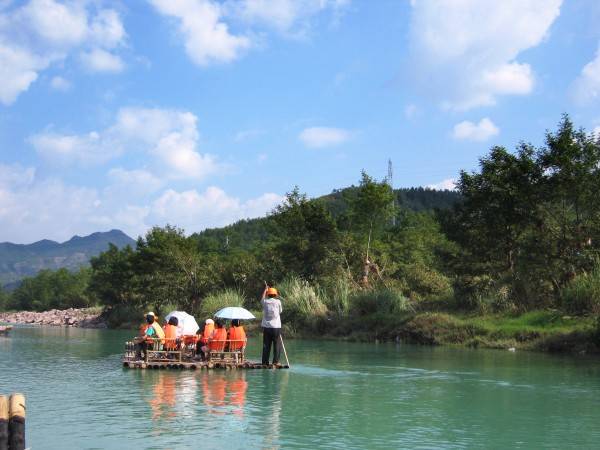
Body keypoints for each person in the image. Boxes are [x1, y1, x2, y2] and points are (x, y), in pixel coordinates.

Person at [261, 284, 282, 365]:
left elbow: (262, 298)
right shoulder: (278, 302)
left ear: (268, 294)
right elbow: (280, 311)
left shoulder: (265, 302)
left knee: (266, 345)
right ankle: (275, 362)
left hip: (266, 327)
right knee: (277, 345)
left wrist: (265, 290)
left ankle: (265, 362)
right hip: (276, 327)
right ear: (275, 294)